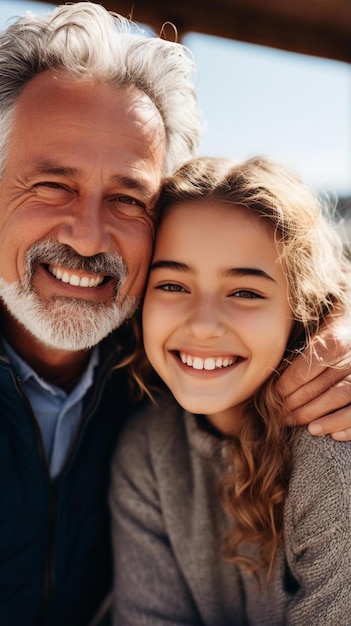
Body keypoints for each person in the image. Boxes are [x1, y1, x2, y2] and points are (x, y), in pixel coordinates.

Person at [0, 2, 349, 625]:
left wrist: (339, 318)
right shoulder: (154, 430)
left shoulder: (153, 370)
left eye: (128, 196)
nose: (86, 236)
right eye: (52, 184)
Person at [110, 156, 351, 625]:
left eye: (244, 292)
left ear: (299, 309)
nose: (202, 324)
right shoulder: (150, 450)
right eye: (173, 284)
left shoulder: (334, 449)